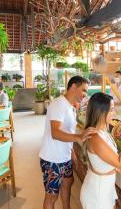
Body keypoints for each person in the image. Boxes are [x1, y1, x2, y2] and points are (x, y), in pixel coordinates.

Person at [39, 76, 96, 209]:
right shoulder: (59, 104)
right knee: (52, 196)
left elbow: (67, 130)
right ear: (74, 87)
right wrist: (78, 137)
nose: (85, 95)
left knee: (68, 184)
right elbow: (56, 133)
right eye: (84, 90)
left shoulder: (70, 106)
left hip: (64, 157)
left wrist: (72, 153)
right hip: (52, 159)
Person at [80, 92, 121, 209]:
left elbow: (106, 158)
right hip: (97, 192)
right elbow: (120, 162)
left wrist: (119, 170)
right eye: (112, 109)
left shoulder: (102, 131)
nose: (115, 113)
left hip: (104, 187)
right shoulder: (95, 137)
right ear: (101, 113)